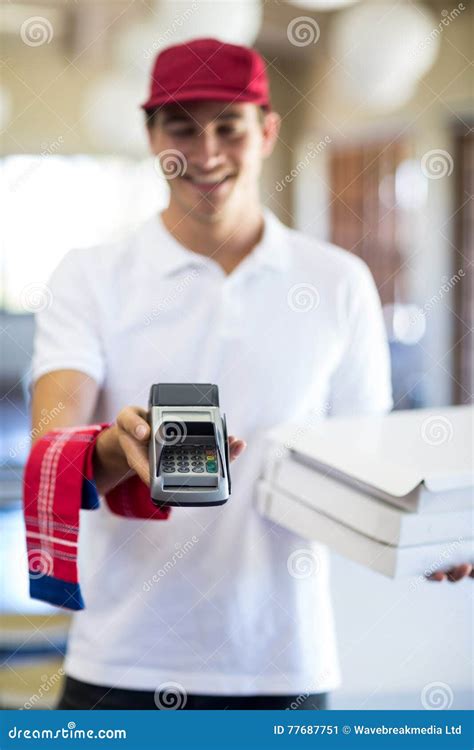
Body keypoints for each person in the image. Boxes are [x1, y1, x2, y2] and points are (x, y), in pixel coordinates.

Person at [29, 37, 472, 711]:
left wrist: (430, 535)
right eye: (181, 127)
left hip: (284, 664)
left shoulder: (338, 282)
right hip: (122, 660)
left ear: (266, 132)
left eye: (228, 128)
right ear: (150, 136)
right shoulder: (90, 276)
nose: (205, 153)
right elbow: (49, 453)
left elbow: (369, 468)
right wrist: (117, 450)